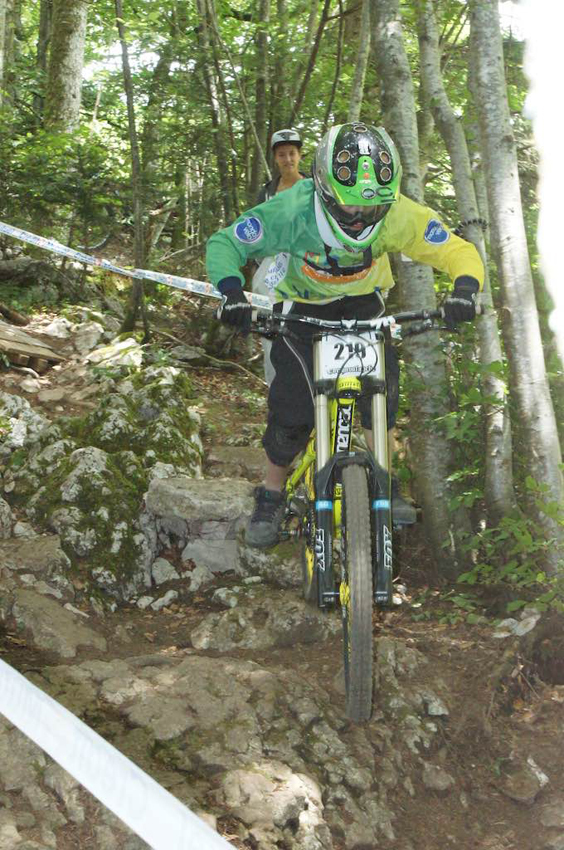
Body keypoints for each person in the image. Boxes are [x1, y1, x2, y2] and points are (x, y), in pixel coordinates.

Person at [206, 123, 484, 549]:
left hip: (363, 306)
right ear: (323, 189)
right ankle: (271, 492)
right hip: (301, 309)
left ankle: (385, 481)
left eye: (371, 208)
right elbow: (227, 243)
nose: (359, 217)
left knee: (381, 397)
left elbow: (455, 249)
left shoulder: (397, 212)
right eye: (349, 205)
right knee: (292, 410)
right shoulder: (291, 209)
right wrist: (231, 294)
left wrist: (464, 290)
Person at [253, 128, 309, 384]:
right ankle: (276, 387)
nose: (288, 159)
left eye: (292, 153)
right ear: (276, 159)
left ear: (299, 155)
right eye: (282, 155)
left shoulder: (314, 187)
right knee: (271, 328)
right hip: (271, 270)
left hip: (309, 269)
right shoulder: (266, 194)